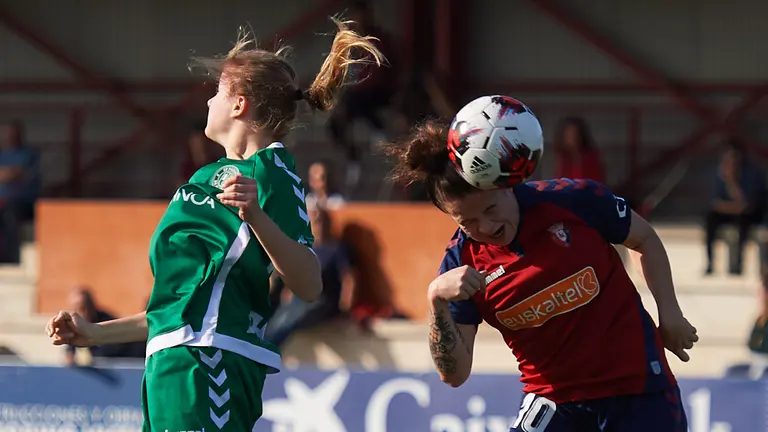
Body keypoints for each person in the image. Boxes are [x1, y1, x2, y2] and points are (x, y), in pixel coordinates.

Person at [45, 19, 383, 431]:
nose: (207, 103)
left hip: (211, 363)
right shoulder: (203, 179)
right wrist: (93, 334)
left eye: (216, 92)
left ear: (239, 104)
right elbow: (176, 309)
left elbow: (310, 283)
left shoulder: (271, 171)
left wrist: (256, 215)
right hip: (169, 362)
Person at [384, 120, 698, 431]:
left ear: (507, 184)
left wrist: (669, 313)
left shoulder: (572, 201)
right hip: (555, 401)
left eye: (491, 210)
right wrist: (435, 300)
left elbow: (645, 239)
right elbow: (454, 375)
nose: (487, 228)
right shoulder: (460, 263)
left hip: (637, 389)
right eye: (468, 222)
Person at [265, 206, 353, 347]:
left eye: (321, 220)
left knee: (286, 323)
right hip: (299, 300)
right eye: (314, 221)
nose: (318, 225)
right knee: (275, 322)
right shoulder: (307, 247)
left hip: (322, 301)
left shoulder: (336, 248)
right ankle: (262, 355)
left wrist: (345, 309)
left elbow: (347, 279)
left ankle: (266, 359)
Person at [704, 140, 766, 275]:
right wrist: (728, 180)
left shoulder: (752, 173)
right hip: (729, 211)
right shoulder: (719, 174)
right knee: (710, 218)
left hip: (750, 214)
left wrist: (732, 182)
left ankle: (737, 265)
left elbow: (747, 203)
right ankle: (710, 263)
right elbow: (715, 203)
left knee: (742, 222)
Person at [554, 117, 605, 184]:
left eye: (574, 135)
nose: (571, 139)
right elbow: (560, 184)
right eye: (568, 136)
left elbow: (598, 183)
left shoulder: (592, 156)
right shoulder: (563, 159)